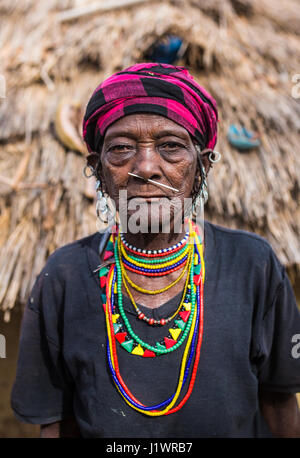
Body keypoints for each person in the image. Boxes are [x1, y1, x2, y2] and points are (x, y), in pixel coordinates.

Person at [11, 63, 300, 438]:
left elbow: (278, 403)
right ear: (97, 170)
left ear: (202, 168)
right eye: (121, 149)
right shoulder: (63, 276)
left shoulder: (252, 265)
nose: (146, 167)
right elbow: (54, 423)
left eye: (171, 147)